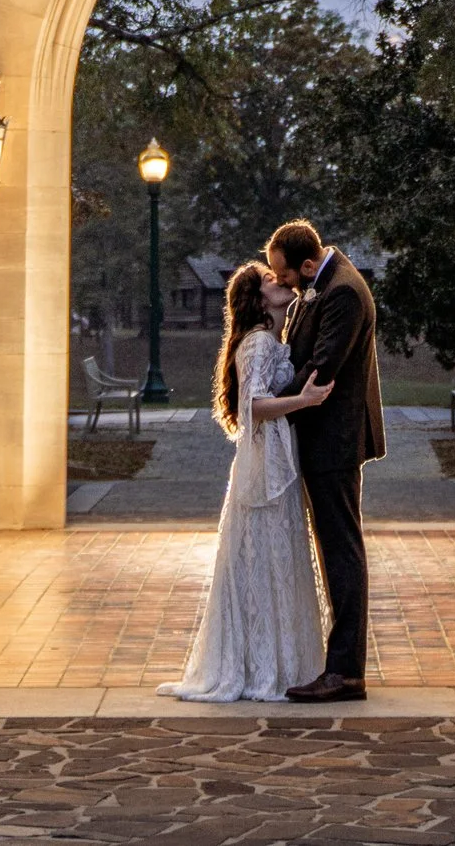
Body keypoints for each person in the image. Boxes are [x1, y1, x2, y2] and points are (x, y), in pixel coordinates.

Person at [160, 258, 331, 702]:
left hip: (276, 460)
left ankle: (278, 660)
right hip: (264, 466)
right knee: (262, 558)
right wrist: (304, 400)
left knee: (277, 557)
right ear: (258, 300)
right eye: (270, 279)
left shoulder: (273, 340)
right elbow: (254, 405)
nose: (280, 279)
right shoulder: (256, 343)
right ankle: (259, 667)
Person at [267, 215, 384, 701]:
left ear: (310, 263)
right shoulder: (326, 283)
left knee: (341, 553)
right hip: (324, 441)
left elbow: (321, 370)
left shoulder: (342, 293)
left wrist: (271, 411)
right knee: (335, 550)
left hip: (333, 443)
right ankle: (341, 667)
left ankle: (345, 673)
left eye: (286, 275)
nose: (281, 282)